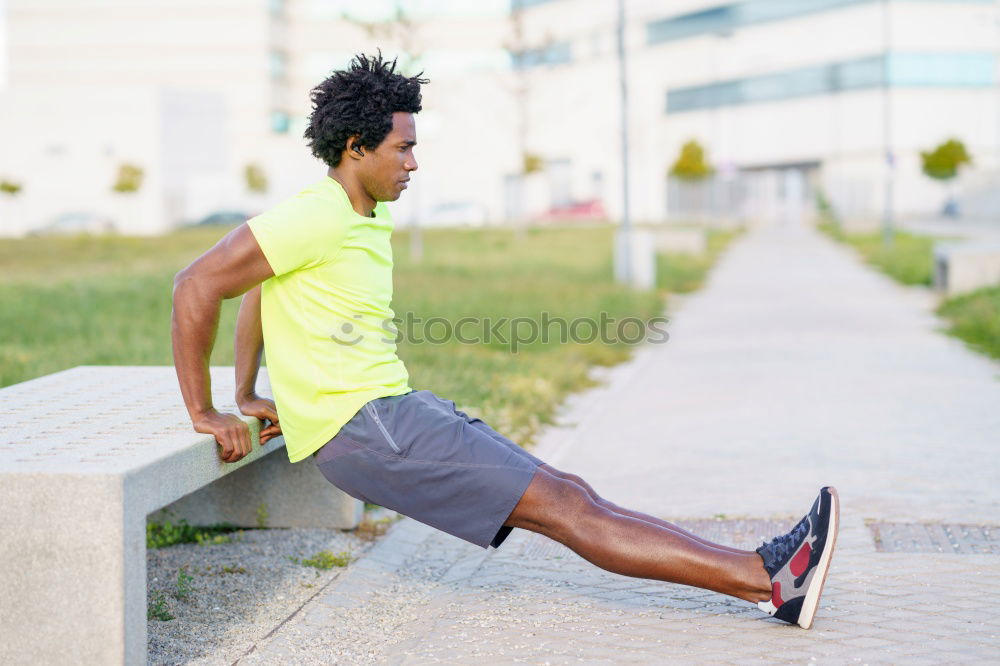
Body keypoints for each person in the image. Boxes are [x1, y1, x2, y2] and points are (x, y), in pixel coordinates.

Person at [171, 53, 838, 630]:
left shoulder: (348, 216)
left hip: (389, 412)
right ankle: (766, 579)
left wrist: (248, 390)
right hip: (369, 429)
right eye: (402, 147)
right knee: (568, 510)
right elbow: (196, 285)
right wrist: (207, 409)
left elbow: (259, 286)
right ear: (356, 147)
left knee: (570, 492)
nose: (414, 162)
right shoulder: (317, 213)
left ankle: (765, 571)